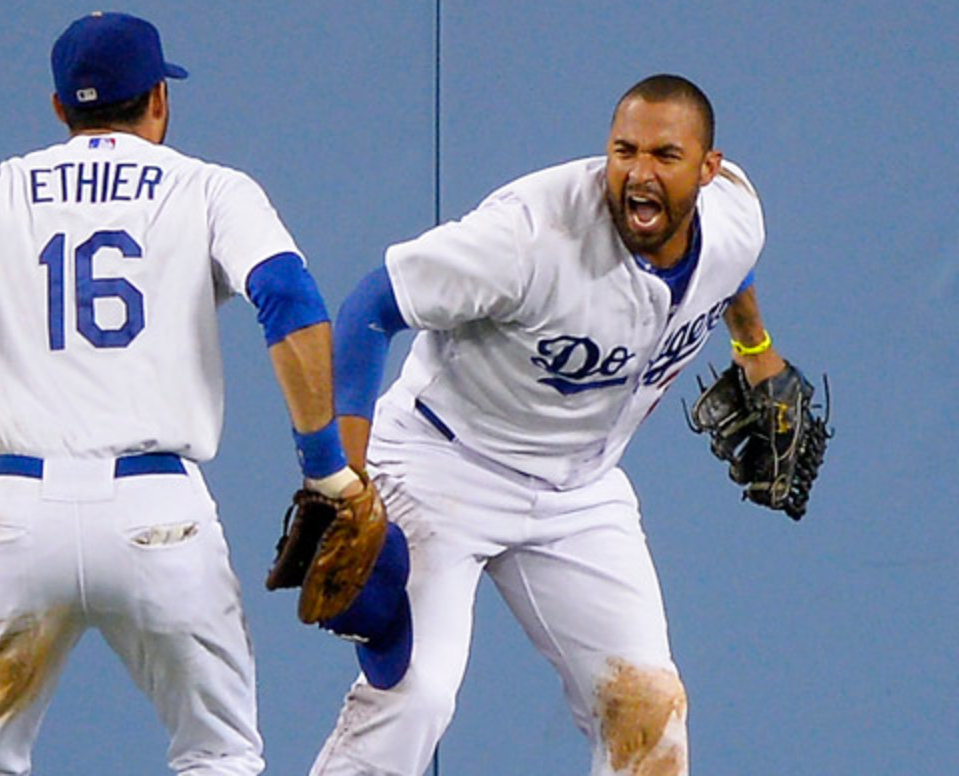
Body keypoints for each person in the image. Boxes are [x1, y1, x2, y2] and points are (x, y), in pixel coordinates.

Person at [0, 11, 360, 776]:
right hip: (158, 517)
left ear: (59, 111)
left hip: (17, 517)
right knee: (219, 755)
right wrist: (325, 469)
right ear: (158, 100)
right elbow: (289, 297)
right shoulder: (209, 188)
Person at [312, 74, 791, 776]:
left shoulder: (735, 218)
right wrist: (345, 483)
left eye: (665, 156)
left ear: (708, 171)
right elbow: (369, 307)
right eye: (624, 150)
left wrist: (756, 351)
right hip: (445, 462)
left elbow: (729, 267)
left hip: (581, 487)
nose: (638, 173)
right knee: (414, 700)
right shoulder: (529, 234)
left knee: (649, 710)